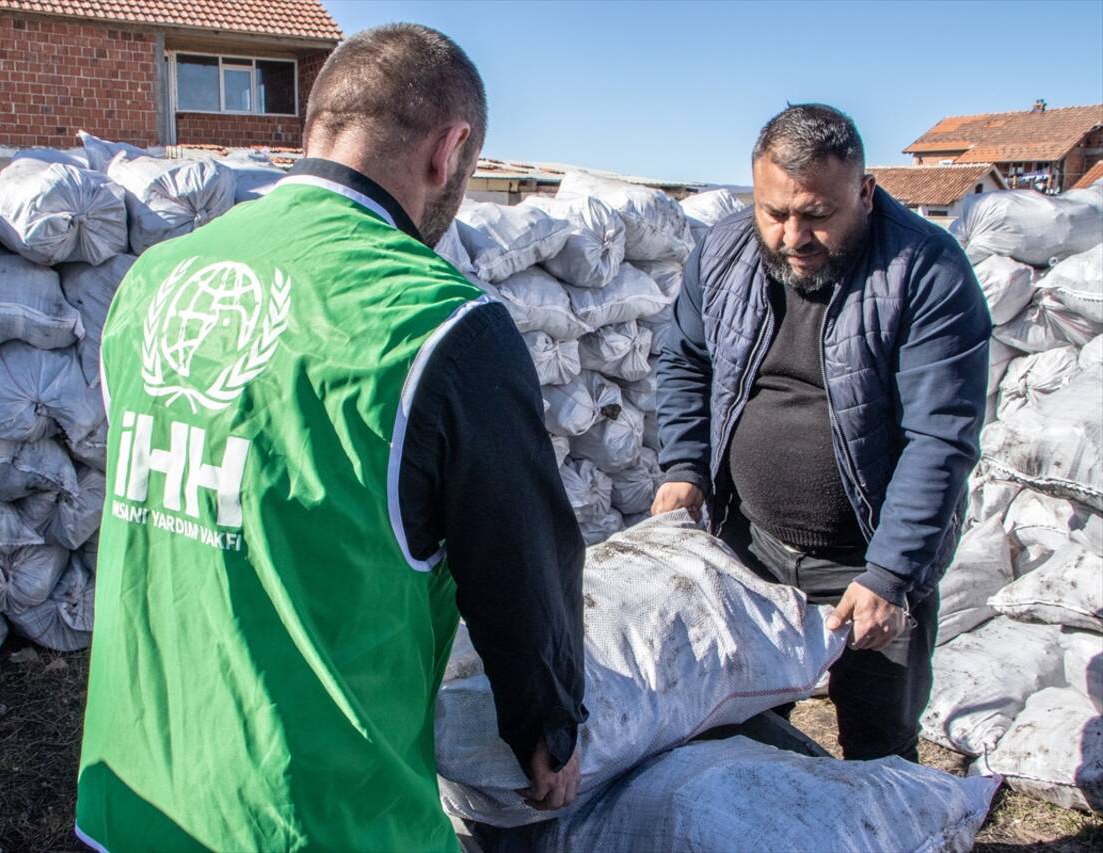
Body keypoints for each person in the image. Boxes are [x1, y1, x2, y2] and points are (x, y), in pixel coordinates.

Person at [76, 24, 586, 852]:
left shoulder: (151, 283)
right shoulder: (443, 324)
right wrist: (549, 726)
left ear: (314, 126)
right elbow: (523, 564)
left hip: (134, 797)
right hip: (318, 820)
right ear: (450, 150)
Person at [652, 104, 990, 762]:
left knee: (879, 743)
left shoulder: (925, 272)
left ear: (864, 193)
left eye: (817, 216)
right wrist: (684, 466)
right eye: (775, 212)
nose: (792, 237)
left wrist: (892, 573)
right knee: (739, 733)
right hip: (750, 550)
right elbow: (684, 358)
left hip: (866, 559)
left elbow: (940, 438)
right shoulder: (724, 253)